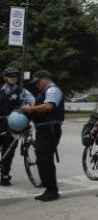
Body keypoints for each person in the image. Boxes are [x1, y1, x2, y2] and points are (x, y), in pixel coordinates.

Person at [19, 70, 64, 201]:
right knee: (42, 159)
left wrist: (30, 109)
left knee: (45, 160)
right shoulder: (44, 92)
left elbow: (49, 107)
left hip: (49, 129)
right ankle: (48, 188)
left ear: (45, 78)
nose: (37, 85)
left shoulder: (52, 90)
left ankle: (52, 190)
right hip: (43, 129)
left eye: (38, 82)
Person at [0, 67, 35, 186]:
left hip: (14, 124)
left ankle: (5, 175)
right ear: (5, 77)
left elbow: (32, 101)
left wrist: (29, 108)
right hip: (0, 122)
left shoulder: (21, 91)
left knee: (8, 151)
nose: (14, 78)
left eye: (15, 76)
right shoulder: (1, 90)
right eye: (11, 76)